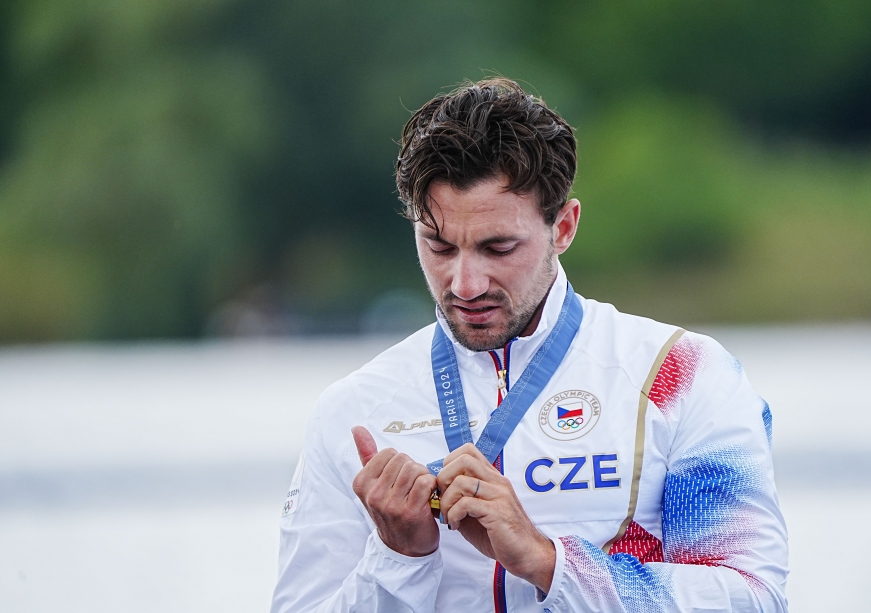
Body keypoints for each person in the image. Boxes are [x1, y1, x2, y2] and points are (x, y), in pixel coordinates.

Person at [271, 78, 788, 613]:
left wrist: (548, 563)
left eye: (498, 247)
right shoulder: (353, 411)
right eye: (439, 246)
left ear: (563, 227)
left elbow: (752, 599)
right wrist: (398, 560)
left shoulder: (680, 375)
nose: (465, 284)